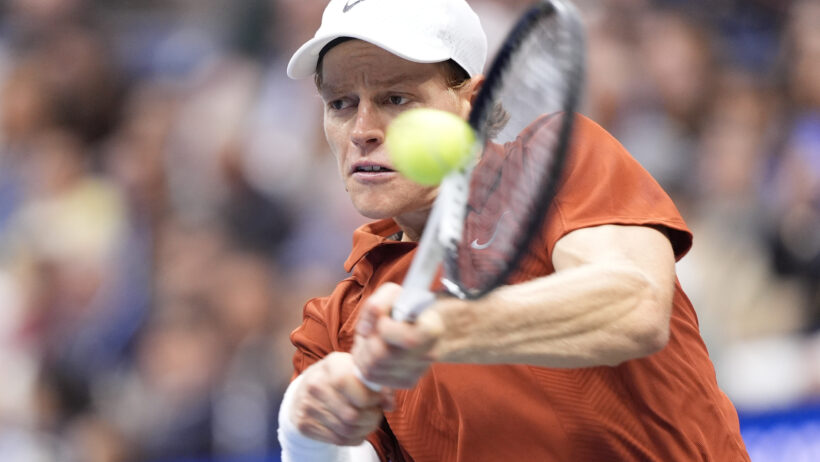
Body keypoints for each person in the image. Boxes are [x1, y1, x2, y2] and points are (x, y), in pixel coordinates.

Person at [277, 0, 751, 460]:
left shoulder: (554, 161)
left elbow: (636, 305)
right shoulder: (334, 324)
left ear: (473, 104)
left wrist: (446, 327)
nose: (362, 129)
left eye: (395, 98)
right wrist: (306, 434)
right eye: (340, 103)